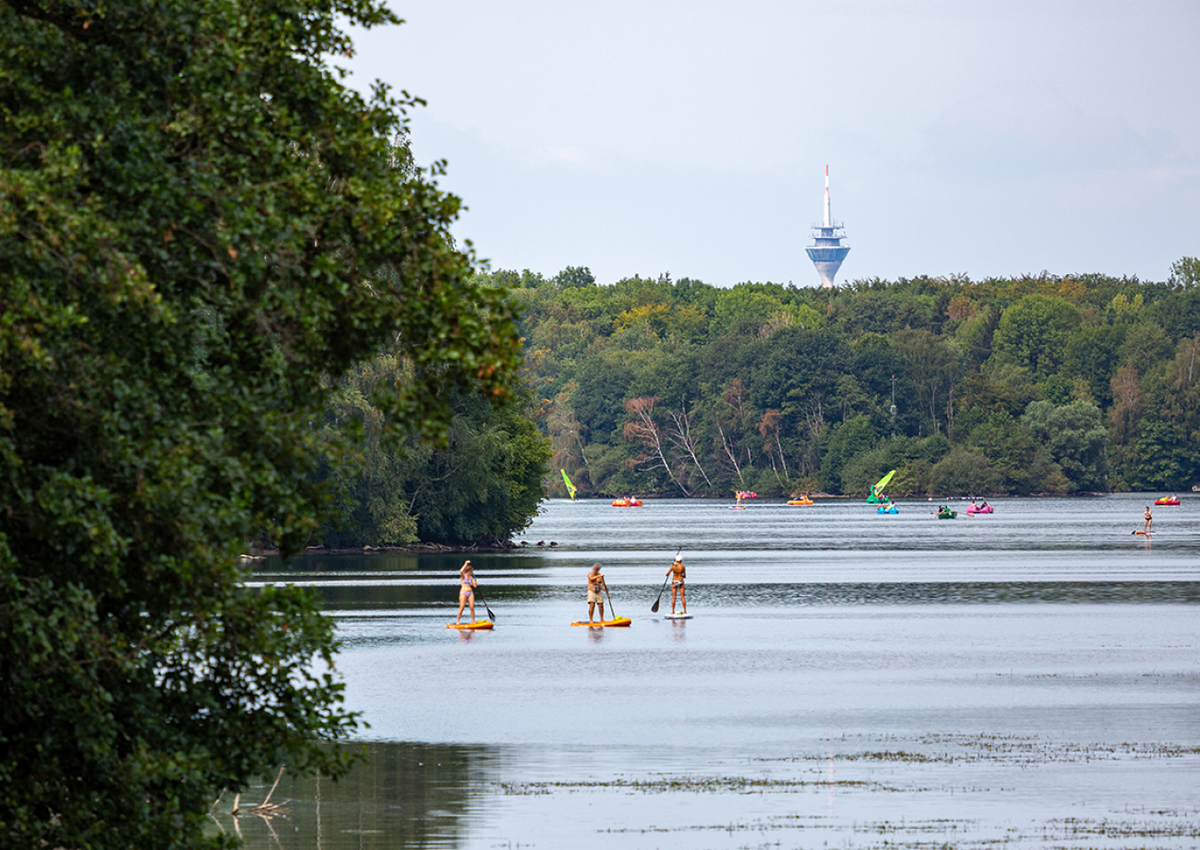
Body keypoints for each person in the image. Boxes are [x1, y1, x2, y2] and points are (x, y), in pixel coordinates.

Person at [456, 560, 478, 624]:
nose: (471, 572)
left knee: (472, 607)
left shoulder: (471, 577)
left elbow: (474, 586)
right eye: (471, 571)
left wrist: (476, 584)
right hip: (463, 593)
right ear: (468, 571)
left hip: (470, 592)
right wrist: (466, 563)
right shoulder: (463, 576)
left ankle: (473, 621)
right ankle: (458, 621)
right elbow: (461, 571)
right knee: (462, 607)